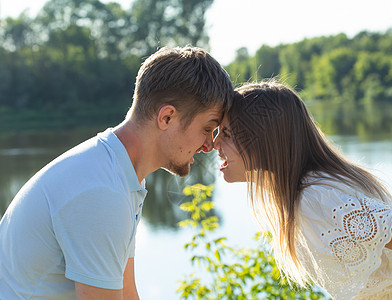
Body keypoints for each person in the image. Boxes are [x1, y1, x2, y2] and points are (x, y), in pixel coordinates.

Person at [0, 46, 233, 299]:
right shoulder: (102, 191)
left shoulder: (119, 173)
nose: (209, 145)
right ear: (166, 118)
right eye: (207, 129)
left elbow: (126, 290)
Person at [213, 81, 392, 299]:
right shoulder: (311, 189)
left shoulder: (316, 198)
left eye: (226, 134)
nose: (214, 144)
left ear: (266, 141)